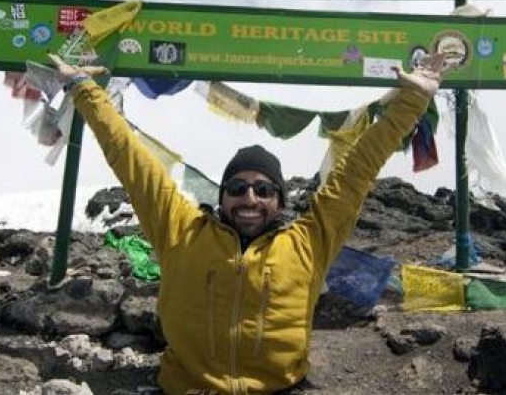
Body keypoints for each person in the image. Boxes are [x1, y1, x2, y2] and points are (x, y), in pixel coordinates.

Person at [48, 52, 444, 395]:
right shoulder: (182, 231)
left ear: (279, 199)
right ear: (221, 197)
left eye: (262, 189)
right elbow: (131, 160)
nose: (249, 198)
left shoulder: (309, 241)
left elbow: (359, 168)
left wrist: (413, 100)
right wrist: (84, 87)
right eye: (237, 187)